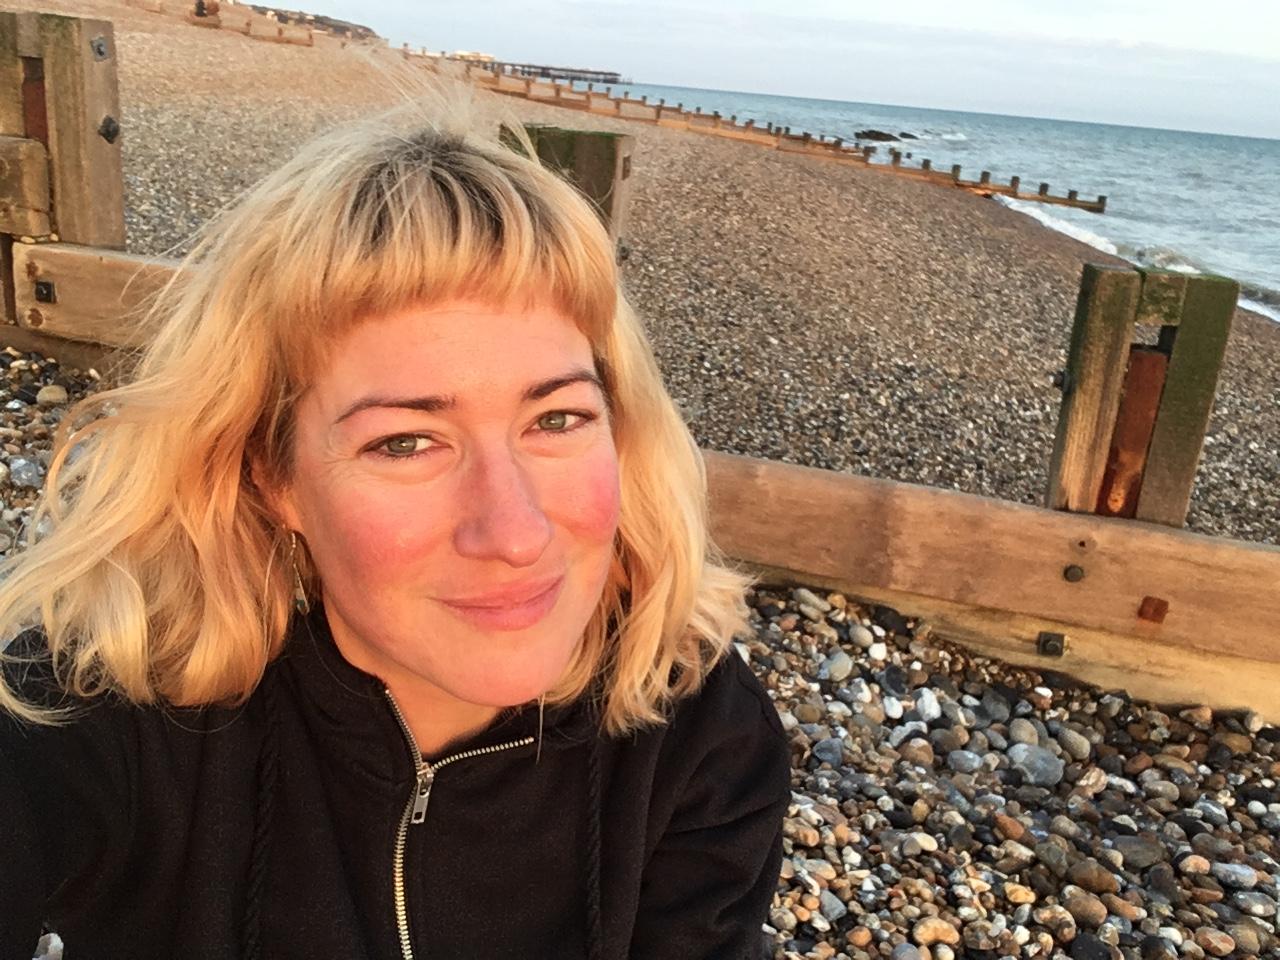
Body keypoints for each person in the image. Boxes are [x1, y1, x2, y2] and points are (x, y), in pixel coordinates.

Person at [0, 97, 791, 960]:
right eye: (406, 442)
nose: (515, 532)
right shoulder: (110, 706)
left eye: (557, 420)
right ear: (274, 478)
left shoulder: (697, 732)